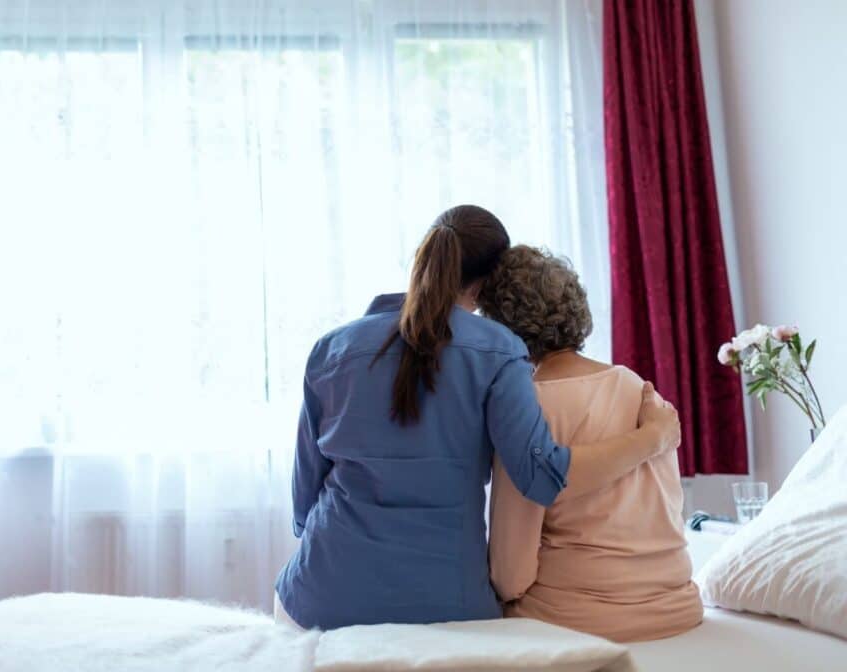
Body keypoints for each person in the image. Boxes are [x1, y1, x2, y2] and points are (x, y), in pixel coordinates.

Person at [274, 206, 681, 630]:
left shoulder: (331, 348)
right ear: (486, 286)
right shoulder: (501, 351)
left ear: (422, 258)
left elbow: (304, 500)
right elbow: (542, 476)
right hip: (448, 608)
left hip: (319, 599)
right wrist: (652, 438)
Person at [480, 245, 703, 642]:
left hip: (578, 619)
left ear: (500, 326)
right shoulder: (639, 387)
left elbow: (510, 576)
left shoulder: (525, 409)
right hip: (677, 607)